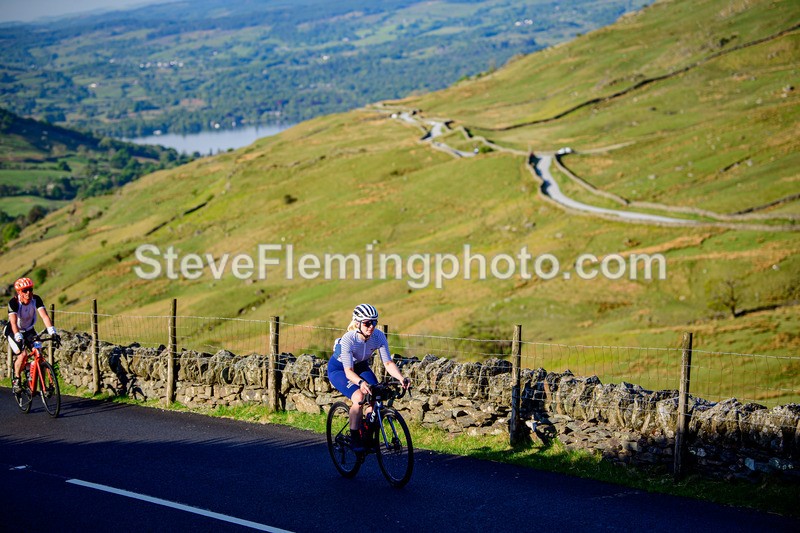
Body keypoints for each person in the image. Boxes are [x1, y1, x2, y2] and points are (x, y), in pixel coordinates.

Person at [328, 303, 410, 450]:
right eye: (367, 323)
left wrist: (401, 378)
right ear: (357, 323)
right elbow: (348, 372)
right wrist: (360, 383)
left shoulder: (378, 336)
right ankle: (354, 439)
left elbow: (388, 362)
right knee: (359, 397)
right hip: (339, 369)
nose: (371, 326)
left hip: (361, 366)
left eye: (374, 322)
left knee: (376, 397)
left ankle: (366, 432)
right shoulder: (349, 339)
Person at [5, 277, 58, 393]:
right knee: (23, 355)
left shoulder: (36, 299)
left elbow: (44, 316)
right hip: (13, 331)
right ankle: (17, 380)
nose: (28, 293)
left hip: (29, 330)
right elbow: (13, 323)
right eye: (25, 290)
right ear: (19, 292)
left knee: (39, 355)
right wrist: (18, 336)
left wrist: (52, 331)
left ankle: (43, 387)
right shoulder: (13, 303)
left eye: (30, 289)